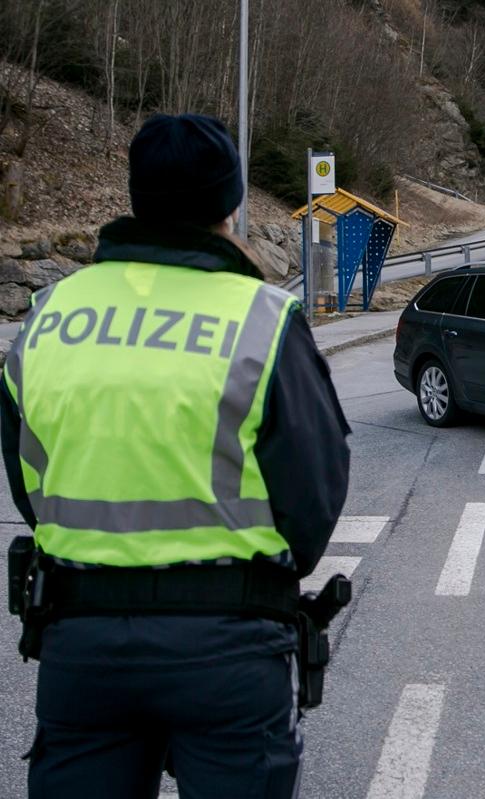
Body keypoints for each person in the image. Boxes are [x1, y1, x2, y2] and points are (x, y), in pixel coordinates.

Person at [2, 114, 351, 798]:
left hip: (82, 643)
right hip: (228, 649)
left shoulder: (50, 313)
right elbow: (314, 491)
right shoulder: (262, 318)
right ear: (230, 204)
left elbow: (27, 476)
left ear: (135, 197)